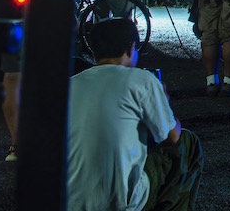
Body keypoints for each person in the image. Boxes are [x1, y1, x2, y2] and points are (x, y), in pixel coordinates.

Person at [68, 18, 203, 211]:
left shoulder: (70, 84)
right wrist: (163, 102)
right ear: (131, 47)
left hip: (69, 200)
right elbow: (173, 136)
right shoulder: (141, 79)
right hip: (122, 202)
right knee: (188, 143)